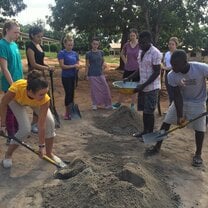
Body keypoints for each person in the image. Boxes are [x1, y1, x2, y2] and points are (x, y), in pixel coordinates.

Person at [145, 49, 208, 167]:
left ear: (185, 62)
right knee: (166, 122)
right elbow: (177, 96)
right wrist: (179, 116)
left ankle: (198, 154)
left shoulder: (201, 68)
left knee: (200, 128)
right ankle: (157, 146)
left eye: (175, 65)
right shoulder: (172, 75)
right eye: (172, 64)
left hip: (198, 102)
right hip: (181, 100)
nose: (173, 67)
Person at [0, 70, 62, 168]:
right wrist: (2, 125)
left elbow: (41, 125)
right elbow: (3, 103)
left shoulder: (44, 99)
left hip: (35, 102)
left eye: (46, 92)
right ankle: (8, 155)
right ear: (30, 92)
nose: (45, 96)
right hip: (16, 101)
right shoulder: (16, 88)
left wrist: (41, 146)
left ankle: (48, 153)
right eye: (41, 94)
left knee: (50, 122)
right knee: (25, 129)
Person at [128, 31, 162, 139]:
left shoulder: (156, 53)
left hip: (152, 87)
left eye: (143, 43)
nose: (141, 45)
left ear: (149, 41)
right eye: (140, 43)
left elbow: (157, 72)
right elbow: (140, 68)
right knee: (144, 110)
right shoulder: (141, 51)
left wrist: (143, 85)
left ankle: (149, 134)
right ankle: (144, 131)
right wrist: (130, 77)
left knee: (149, 112)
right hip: (142, 86)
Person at [26, 26, 54, 132]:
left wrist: (47, 67)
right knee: (37, 99)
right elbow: (33, 64)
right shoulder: (30, 47)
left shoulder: (39, 45)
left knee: (43, 98)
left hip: (41, 75)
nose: (40, 38)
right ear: (32, 35)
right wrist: (46, 68)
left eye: (41, 36)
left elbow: (41, 61)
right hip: (34, 76)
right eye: (38, 36)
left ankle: (40, 122)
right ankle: (34, 123)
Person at [0, 20, 23, 143]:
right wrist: (12, 84)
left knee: (17, 108)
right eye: (15, 32)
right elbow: (4, 68)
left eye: (18, 32)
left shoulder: (14, 45)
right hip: (10, 83)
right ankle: (11, 136)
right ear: (7, 30)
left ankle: (19, 132)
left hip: (19, 82)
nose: (17, 35)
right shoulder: (2, 45)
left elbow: (18, 65)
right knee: (10, 110)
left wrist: (21, 82)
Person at [112, 28, 140, 110]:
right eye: (131, 35)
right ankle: (119, 103)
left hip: (137, 69)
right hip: (127, 68)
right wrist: (125, 61)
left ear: (136, 35)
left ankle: (132, 105)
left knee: (135, 87)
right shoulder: (127, 45)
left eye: (133, 35)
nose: (132, 37)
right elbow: (122, 53)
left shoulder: (140, 45)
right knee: (123, 85)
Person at [85, 37, 112, 110]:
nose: (95, 45)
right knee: (94, 90)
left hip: (100, 73)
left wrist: (104, 65)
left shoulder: (101, 52)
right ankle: (95, 104)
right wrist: (86, 74)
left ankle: (107, 104)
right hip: (92, 74)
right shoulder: (88, 54)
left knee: (105, 88)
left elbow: (103, 61)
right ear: (91, 44)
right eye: (94, 44)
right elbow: (87, 65)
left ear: (98, 45)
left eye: (97, 44)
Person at [58, 35, 80, 120]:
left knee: (72, 93)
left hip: (74, 76)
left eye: (72, 45)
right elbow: (62, 66)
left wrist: (77, 66)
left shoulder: (75, 53)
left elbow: (77, 64)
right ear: (64, 44)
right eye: (69, 45)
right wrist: (73, 66)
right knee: (68, 94)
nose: (70, 46)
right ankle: (67, 112)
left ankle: (71, 111)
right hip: (66, 77)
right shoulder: (61, 53)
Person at [163, 37, 179, 106]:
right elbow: (164, 63)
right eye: (169, 44)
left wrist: (165, 68)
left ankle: (177, 108)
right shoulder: (166, 53)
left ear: (176, 45)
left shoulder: (178, 53)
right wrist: (163, 66)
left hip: (176, 73)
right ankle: (171, 108)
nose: (170, 46)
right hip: (167, 74)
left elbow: (177, 65)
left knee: (176, 91)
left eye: (172, 44)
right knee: (169, 91)